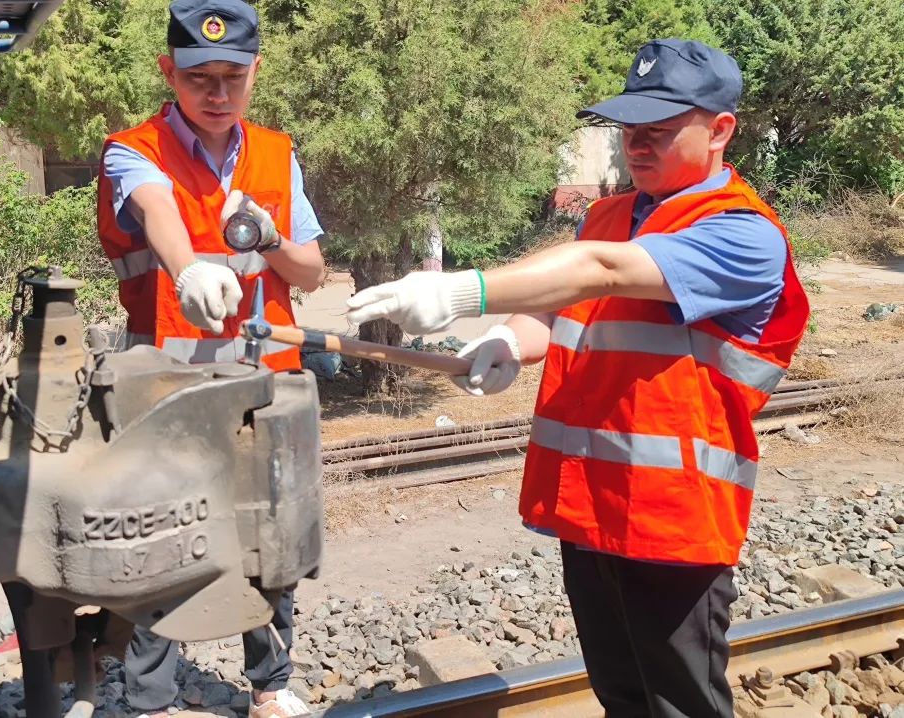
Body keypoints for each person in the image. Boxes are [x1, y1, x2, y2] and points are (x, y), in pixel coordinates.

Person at [346, 39, 810, 718]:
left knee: (676, 701)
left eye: (657, 131)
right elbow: (570, 302)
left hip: (671, 514)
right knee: (619, 690)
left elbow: (604, 271)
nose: (635, 146)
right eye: (628, 131)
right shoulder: (611, 215)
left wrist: (463, 292)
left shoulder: (741, 233)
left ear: (719, 130)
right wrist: (510, 337)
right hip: (590, 501)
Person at [96, 1, 324, 716]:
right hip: (169, 386)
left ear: (255, 72)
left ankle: (272, 687)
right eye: (200, 79)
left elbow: (311, 271)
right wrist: (189, 267)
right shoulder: (133, 149)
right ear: (170, 72)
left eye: (233, 77)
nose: (217, 95)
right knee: (163, 541)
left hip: (263, 383)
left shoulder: (274, 153)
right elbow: (158, 211)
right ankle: (152, 699)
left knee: (271, 535)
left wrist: (266, 241)